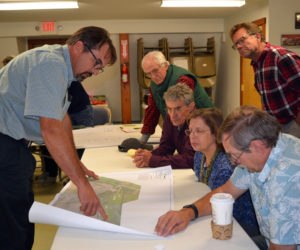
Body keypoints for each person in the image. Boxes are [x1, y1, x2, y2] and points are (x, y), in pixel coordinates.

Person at [0, 26, 117, 249]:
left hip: (12, 146)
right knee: (13, 227)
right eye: (97, 63)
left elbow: (61, 120)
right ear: (79, 47)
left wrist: (75, 162)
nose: (95, 72)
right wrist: (82, 185)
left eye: (100, 68)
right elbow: (51, 129)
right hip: (5, 146)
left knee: (21, 217)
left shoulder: (61, 68)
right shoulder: (50, 65)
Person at [155, 106, 300, 250]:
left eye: (235, 156)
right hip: (271, 240)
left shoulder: (288, 180)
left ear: (258, 147)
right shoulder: (262, 148)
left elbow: (283, 248)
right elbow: (225, 191)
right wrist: (187, 213)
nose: (232, 162)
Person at [187, 108, 259, 240]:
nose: (192, 136)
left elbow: (226, 210)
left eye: (199, 131)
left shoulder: (225, 166)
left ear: (216, 133)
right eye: (190, 131)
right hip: (215, 215)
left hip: (239, 224)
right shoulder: (199, 155)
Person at [230, 22, 300, 138]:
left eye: (242, 40)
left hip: (293, 125)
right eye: (236, 44)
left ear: (257, 36)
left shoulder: (281, 57)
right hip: (277, 127)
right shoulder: (257, 64)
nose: (238, 46)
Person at [140, 50, 213, 143]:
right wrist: (143, 140)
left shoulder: (183, 79)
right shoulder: (153, 85)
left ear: (165, 65)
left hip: (204, 129)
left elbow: (183, 113)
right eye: (148, 74)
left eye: (155, 71)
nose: (153, 76)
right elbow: (152, 111)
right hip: (183, 132)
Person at [38, 80, 94, 184]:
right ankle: (51, 173)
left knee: (80, 143)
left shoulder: (59, 70)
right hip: (62, 110)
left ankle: (78, 177)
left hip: (80, 109)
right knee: (47, 140)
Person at [132, 84, 195, 169]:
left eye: (178, 109)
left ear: (191, 107)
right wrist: (145, 156)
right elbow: (166, 148)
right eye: (169, 109)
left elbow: (190, 160)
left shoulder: (198, 123)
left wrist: (152, 160)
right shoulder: (169, 118)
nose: (173, 115)